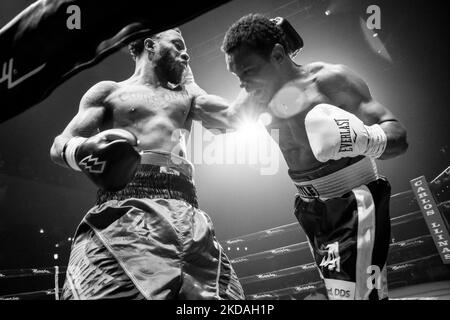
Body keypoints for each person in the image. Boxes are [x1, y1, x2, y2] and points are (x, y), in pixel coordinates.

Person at [220, 14, 409, 300]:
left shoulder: (331, 81)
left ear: (278, 55)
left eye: (248, 71)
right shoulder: (255, 97)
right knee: (342, 295)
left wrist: (365, 139)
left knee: (360, 297)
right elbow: (221, 119)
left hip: (355, 199)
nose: (243, 85)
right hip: (310, 207)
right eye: (237, 76)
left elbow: (399, 136)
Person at [50, 28, 244, 300]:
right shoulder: (110, 92)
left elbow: (232, 118)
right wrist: (83, 150)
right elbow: (60, 144)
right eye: (177, 44)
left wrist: (191, 82)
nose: (185, 53)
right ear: (151, 45)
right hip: (124, 206)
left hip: (186, 210)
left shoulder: (186, 96)